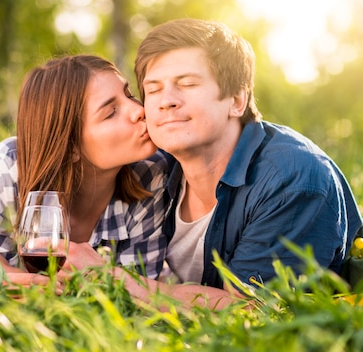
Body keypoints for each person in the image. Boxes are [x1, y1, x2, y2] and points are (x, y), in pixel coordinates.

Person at [132, 18, 362, 292]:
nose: (166, 101)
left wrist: (121, 283)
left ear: (237, 101)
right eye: (154, 89)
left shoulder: (293, 179)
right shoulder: (153, 170)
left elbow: (252, 310)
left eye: (188, 84)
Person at [0, 55, 169, 299]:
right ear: (71, 146)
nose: (140, 110)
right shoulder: (9, 166)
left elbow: (133, 300)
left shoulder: (151, 173)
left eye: (129, 94)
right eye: (111, 113)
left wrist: (10, 279)